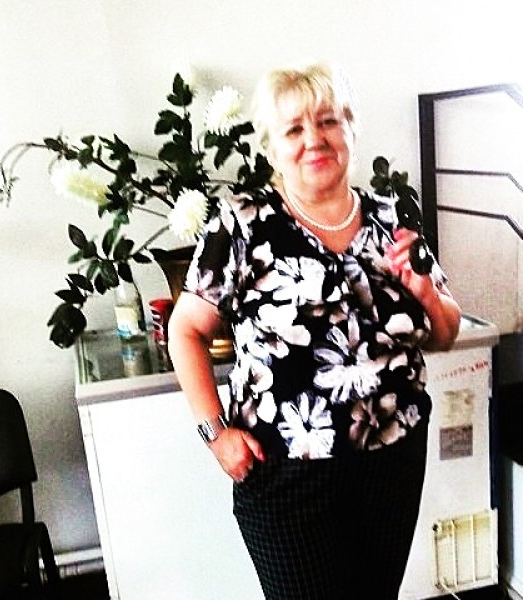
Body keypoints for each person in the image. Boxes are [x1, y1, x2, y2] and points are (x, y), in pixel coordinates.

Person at [167, 61, 461, 600]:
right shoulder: (242, 226)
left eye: (328, 122)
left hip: (392, 459)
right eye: (294, 129)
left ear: (350, 130)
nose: (314, 140)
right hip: (285, 473)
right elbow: (185, 330)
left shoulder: (391, 217)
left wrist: (423, 291)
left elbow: (445, 334)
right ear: (272, 148)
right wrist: (215, 433)